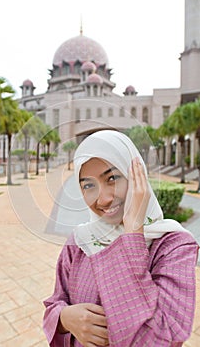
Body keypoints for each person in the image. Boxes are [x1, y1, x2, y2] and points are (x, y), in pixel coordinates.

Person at [43, 129, 199, 347]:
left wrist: (133, 232)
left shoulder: (173, 246)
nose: (104, 198)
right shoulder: (79, 242)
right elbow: (55, 302)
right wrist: (63, 318)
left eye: (113, 178)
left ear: (137, 177)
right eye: (89, 185)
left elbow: (162, 338)